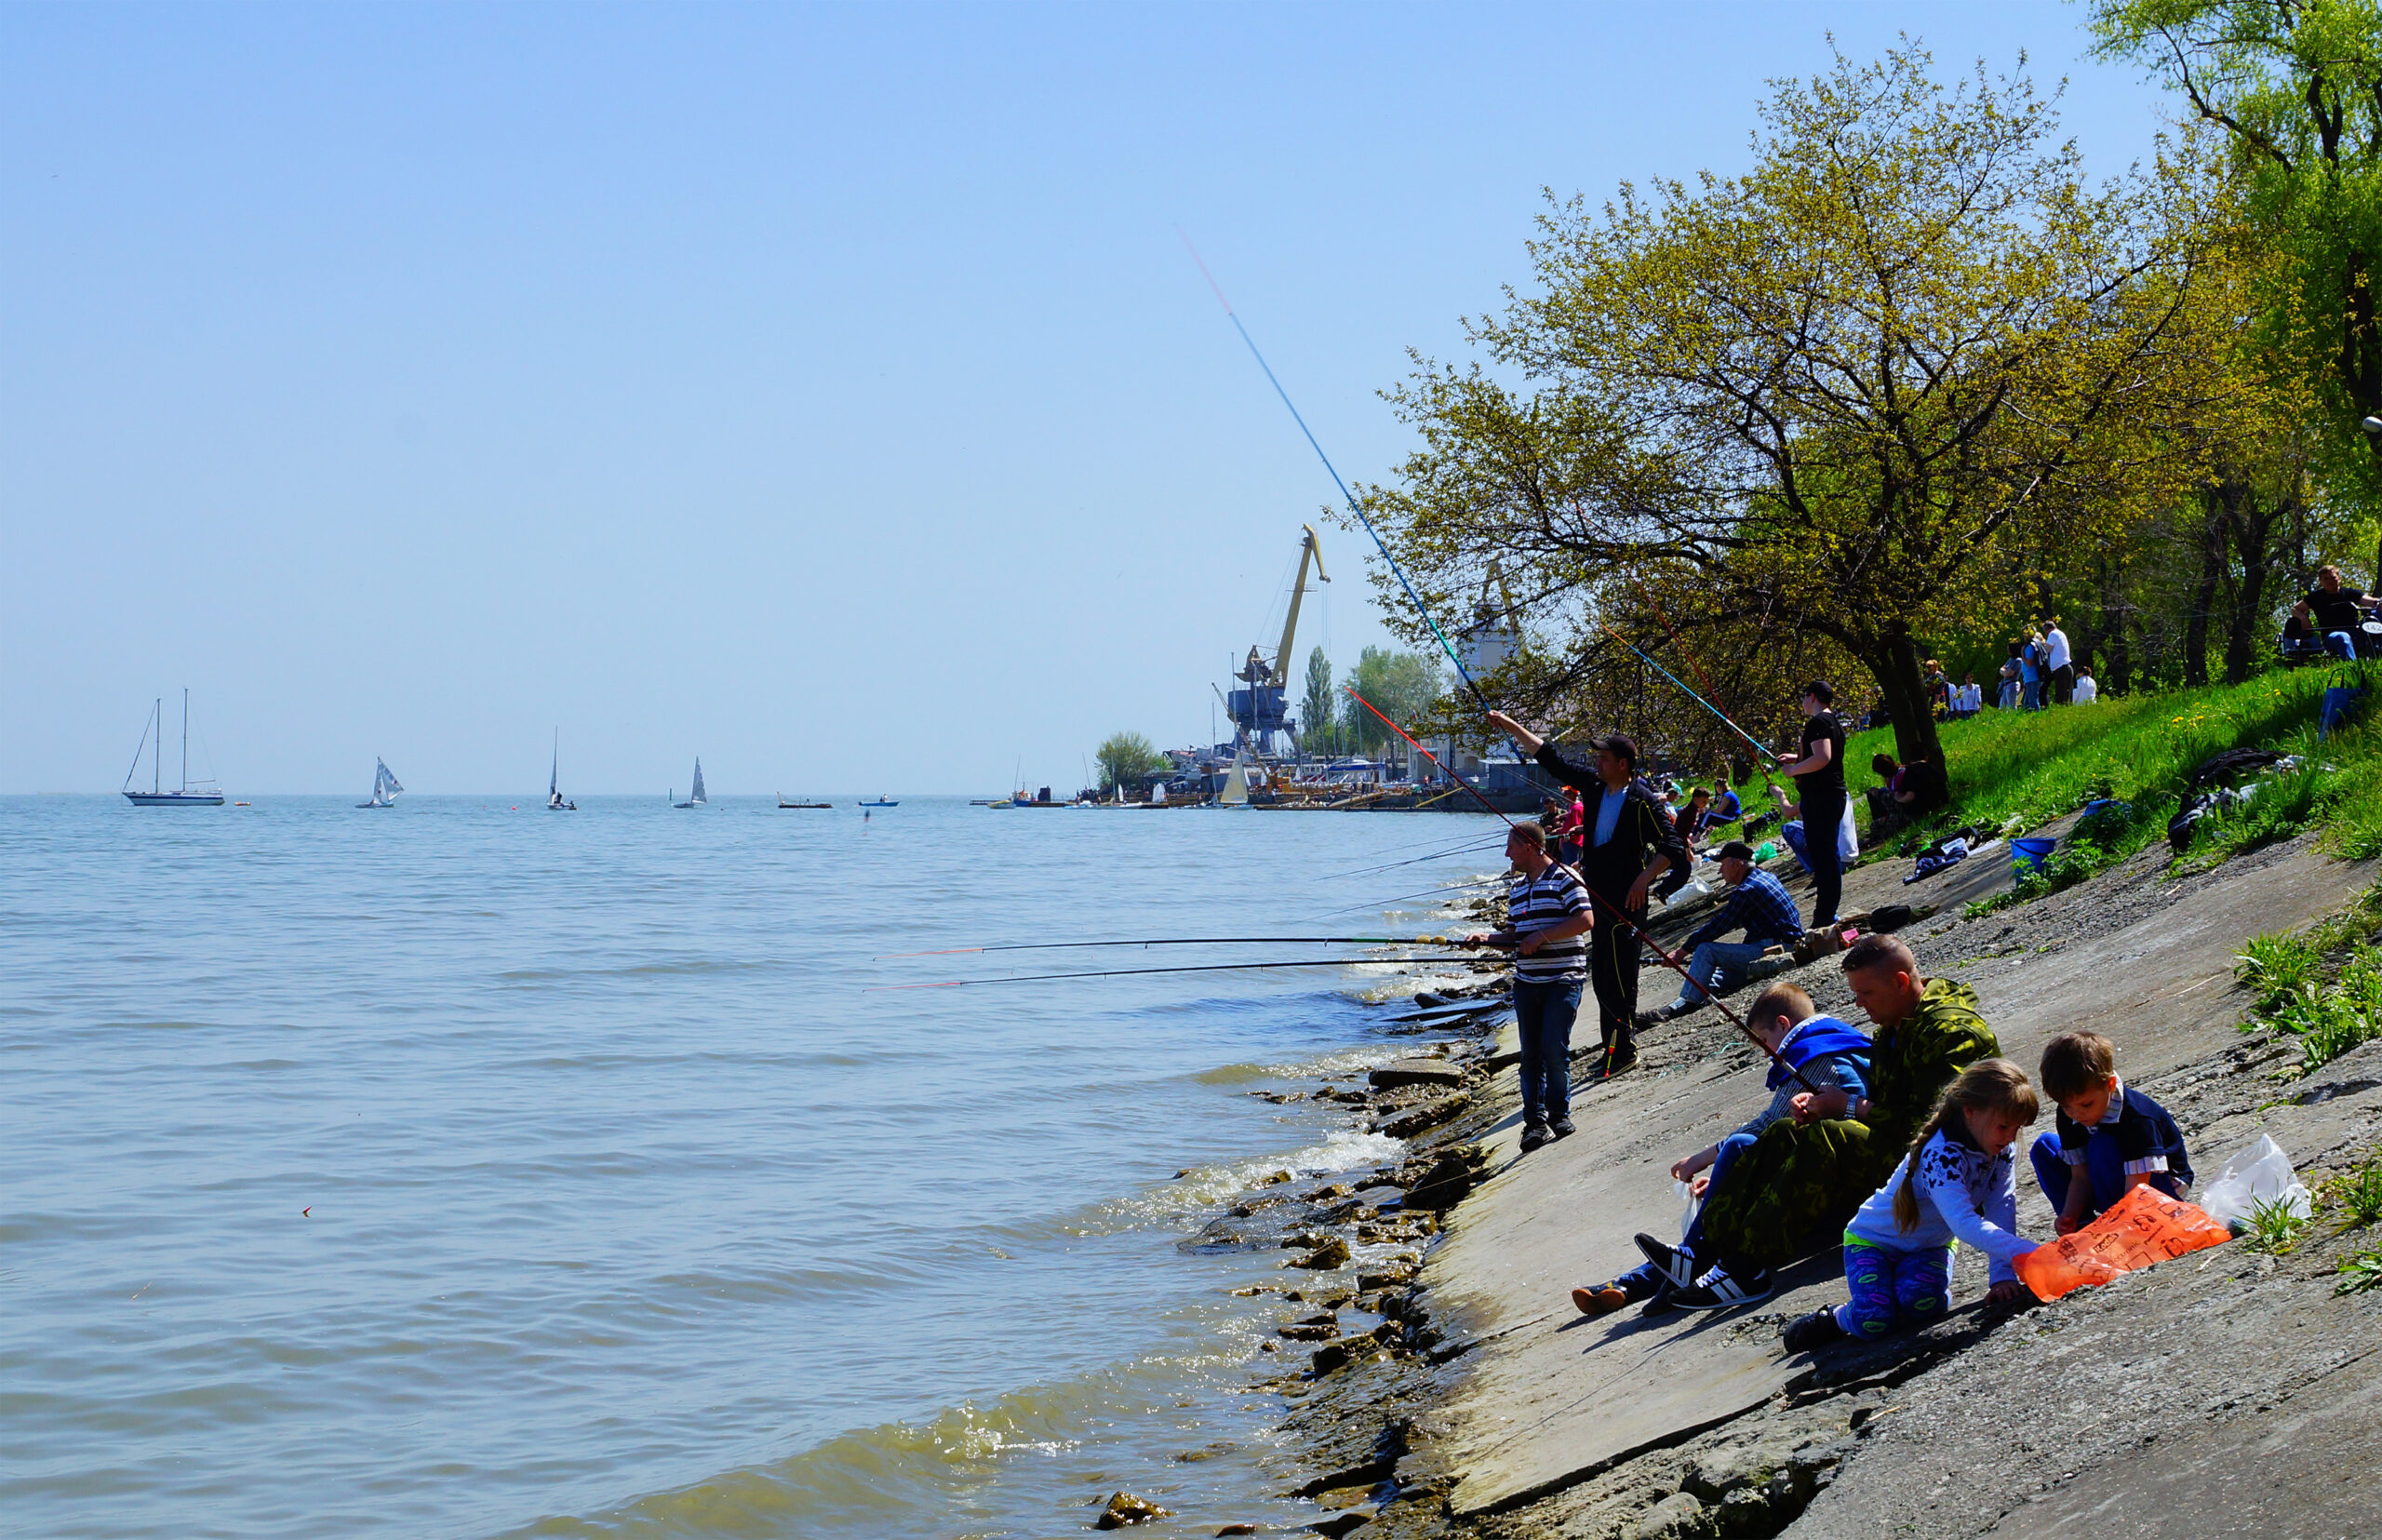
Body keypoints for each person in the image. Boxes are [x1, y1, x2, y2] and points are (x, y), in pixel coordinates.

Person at [1644, 933, 2001, 1309]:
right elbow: (1883, 1105)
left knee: (1826, 1137)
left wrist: (1848, 1107)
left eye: (1866, 993)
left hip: (1948, 1168)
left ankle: (1745, 1266)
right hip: (1900, 1153)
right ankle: (1703, 1252)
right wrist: (1819, 1105)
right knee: (1786, 1129)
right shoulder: (1894, 1027)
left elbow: (1936, 1128)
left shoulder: (1951, 1033)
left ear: (1899, 982)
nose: (1858, 1003)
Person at [1570, 983, 1869, 1317]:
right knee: (1732, 1175)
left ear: (1783, 1025)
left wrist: (1705, 1158)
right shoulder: (1834, 1043)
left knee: (1740, 1150)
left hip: (1832, 1192)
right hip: (1817, 1172)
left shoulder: (1818, 1058)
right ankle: (1646, 1282)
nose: (1767, 1051)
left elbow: (1770, 1126)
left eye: (1765, 1041)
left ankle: (1646, 1283)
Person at [1779, 1060, 2041, 1352]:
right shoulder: (1941, 1155)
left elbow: (2000, 1205)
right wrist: (2032, 1255)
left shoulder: (1999, 1148)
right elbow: (1964, 1223)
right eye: (2004, 1126)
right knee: (1874, 1320)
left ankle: (1891, 1296)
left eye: (2016, 1129)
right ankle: (1836, 1318)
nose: (2009, 1137)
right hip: (1873, 1242)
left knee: (1923, 1305)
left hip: (1928, 1246)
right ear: (1971, 1112)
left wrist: (2002, 1276)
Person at [1486, 711, 1686, 1078]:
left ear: (1622, 764)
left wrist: (1644, 880)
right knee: (1602, 977)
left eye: (1603, 758)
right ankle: (1614, 1046)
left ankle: (1623, 1049)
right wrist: (1510, 725)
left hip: (1627, 901)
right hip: (1597, 894)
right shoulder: (1593, 787)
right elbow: (1550, 757)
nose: (1596, 763)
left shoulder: (1642, 800)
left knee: (1621, 978)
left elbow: (1672, 846)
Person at [1462, 821, 1593, 1152]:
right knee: (1530, 1055)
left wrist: (1541, 937)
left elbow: (1585, 921)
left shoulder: (1566, 878)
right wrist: (1485, 939)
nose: (1507, 854)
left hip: (1563, 980)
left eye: (1511, 847)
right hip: (1527, 982)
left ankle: (1559, 1115)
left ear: (1532, 847)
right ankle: (1534, 1123)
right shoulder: (1518, 888)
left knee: (1554, 1049)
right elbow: (1514, 938)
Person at [2028, 1032, 2192, 1233]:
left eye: (2086, 1104)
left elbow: (2138, 1188)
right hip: (2109, 1178)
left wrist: (2122, 1224)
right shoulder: (2070, 1114)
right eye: (2066, 1106)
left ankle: (2117, 1225)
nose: (2077, 1114)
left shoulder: (2137, 1117)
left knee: (2101, 1144)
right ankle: (2082, 1225)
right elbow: (2080, 1175)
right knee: (2044, 1146)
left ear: (2110, 1085)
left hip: (2155, 1187)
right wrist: (2069, 1213)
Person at [1640, 840, 1804, 1023]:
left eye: (1723, 864)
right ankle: (1668, 1011)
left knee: (1706, 950)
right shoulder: (1766, 877)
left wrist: (1681, 952)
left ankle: (1687, 1004)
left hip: (1775, 951)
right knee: (1710, 978)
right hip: (1782, 945)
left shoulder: (1746, 891)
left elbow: (1718, 926)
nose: (1720, 871)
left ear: (1737, 863)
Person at [1777, 682, 1849, 930]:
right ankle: (1826, 913)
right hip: (1829, 796)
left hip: (1822, 798)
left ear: (1813, 697)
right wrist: (1796, 758)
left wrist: (1793, 770)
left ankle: (1825, 915)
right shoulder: (1833, 722)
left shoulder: (1818, 723)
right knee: (1826, 857)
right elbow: (1823, 757)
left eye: (1804, 697)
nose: (1803, 702)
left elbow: (1823, 758)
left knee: (1825, 859)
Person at [2293, 564, 2381, 662]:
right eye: (2326, 579)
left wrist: (2378, 602)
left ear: (2339, 578)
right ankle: (2353, 670)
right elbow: (2295, 609)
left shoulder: (2349, 593)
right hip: (2333, 635)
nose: (2330, 581)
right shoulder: (2316, 597)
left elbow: (2369, 601)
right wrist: (2304, 619)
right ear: (2321, 581)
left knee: (2376, 619)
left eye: (2333, 577)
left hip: (2356, 632)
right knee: (2342, 637)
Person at [2044, 621, 2074, 705]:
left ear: (2047, 630)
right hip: (2065, 667)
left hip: (2061, 668)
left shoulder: (2052, 634)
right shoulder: (2060, 633)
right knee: (2065, 696)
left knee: (2061, 697)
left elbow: (2047, 649)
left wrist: (2042, 646)